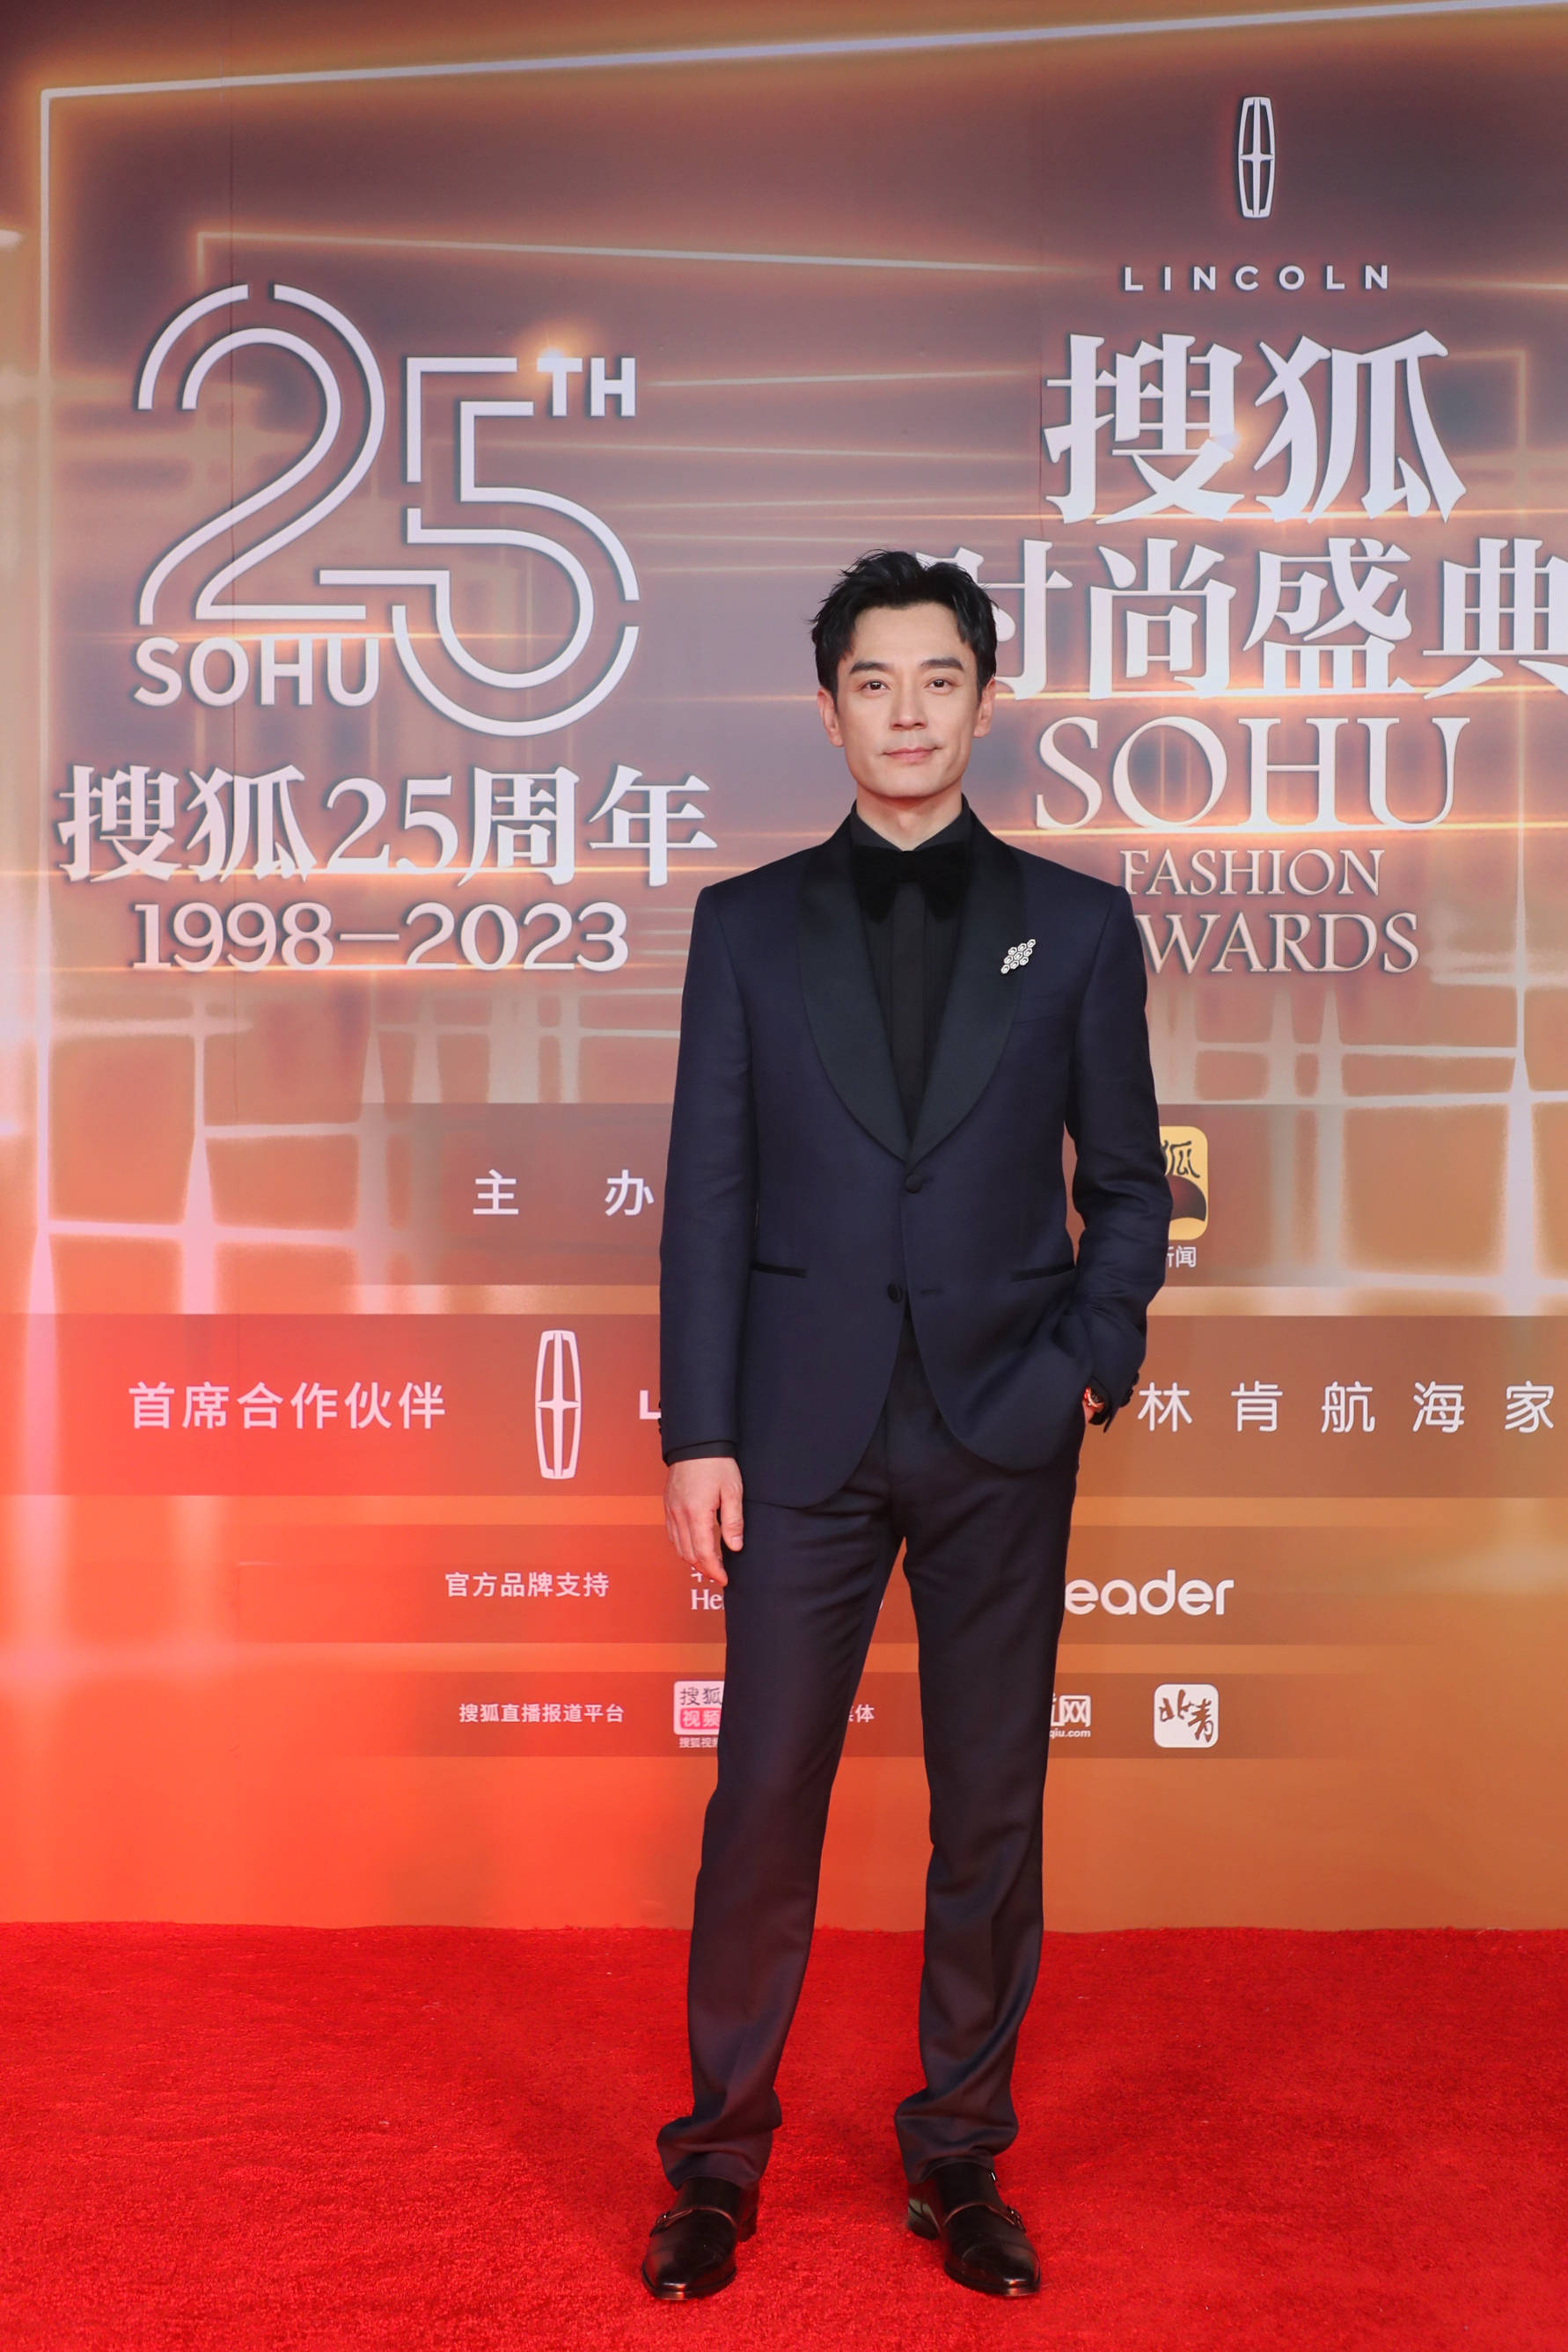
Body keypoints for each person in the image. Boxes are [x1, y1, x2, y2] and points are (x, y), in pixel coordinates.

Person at [641, 550, 1169, 2303]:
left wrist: (1085, 1360)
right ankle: (716, 2160)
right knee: (759, 1800)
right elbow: (708, 1196)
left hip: (1004, 1418)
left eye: (939, 678)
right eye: (873, 681)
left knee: (989, 1808)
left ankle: (959, 2152)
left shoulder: (1078, 927)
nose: (908, 711)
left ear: (984, 698)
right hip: (793, 1434)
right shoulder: (744, 924)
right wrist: (697, 1433)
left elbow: (1130, 1186)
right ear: (829, 709)